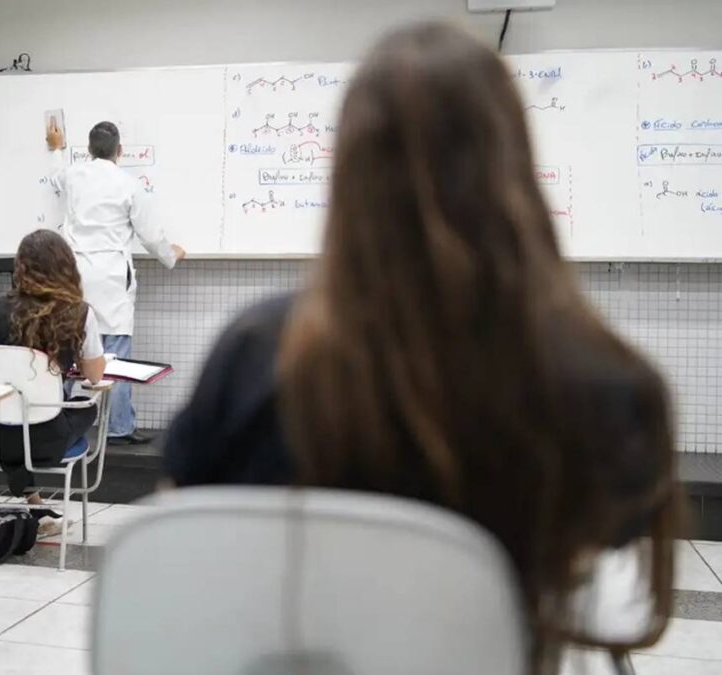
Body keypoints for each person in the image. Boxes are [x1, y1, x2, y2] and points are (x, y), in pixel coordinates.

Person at [162, 22, 681, 674]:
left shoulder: (256, 356)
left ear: (349, 171)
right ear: (512, 165)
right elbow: (606, 574)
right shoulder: (611, 384)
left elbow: (183, 544)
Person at [45, 119, 185, 445]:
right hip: (110, 278)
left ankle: (52, 418)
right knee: (116, 355)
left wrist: (56, 149)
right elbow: (150, 236)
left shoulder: (74, 174)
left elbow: (55, 178)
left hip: (75, 276)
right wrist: (171, 255)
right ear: (119, 151)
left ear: (89, 150)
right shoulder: (128, 185)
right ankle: (119, 427)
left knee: (67, 347)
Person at [0, 230, 106, 535]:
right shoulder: (79, 313)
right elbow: (95, 376)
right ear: (67, 266)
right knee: (85, 406)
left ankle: (36, 507)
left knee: (15, 413)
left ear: (20, 266)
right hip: (44, 441)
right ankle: (38, 511)